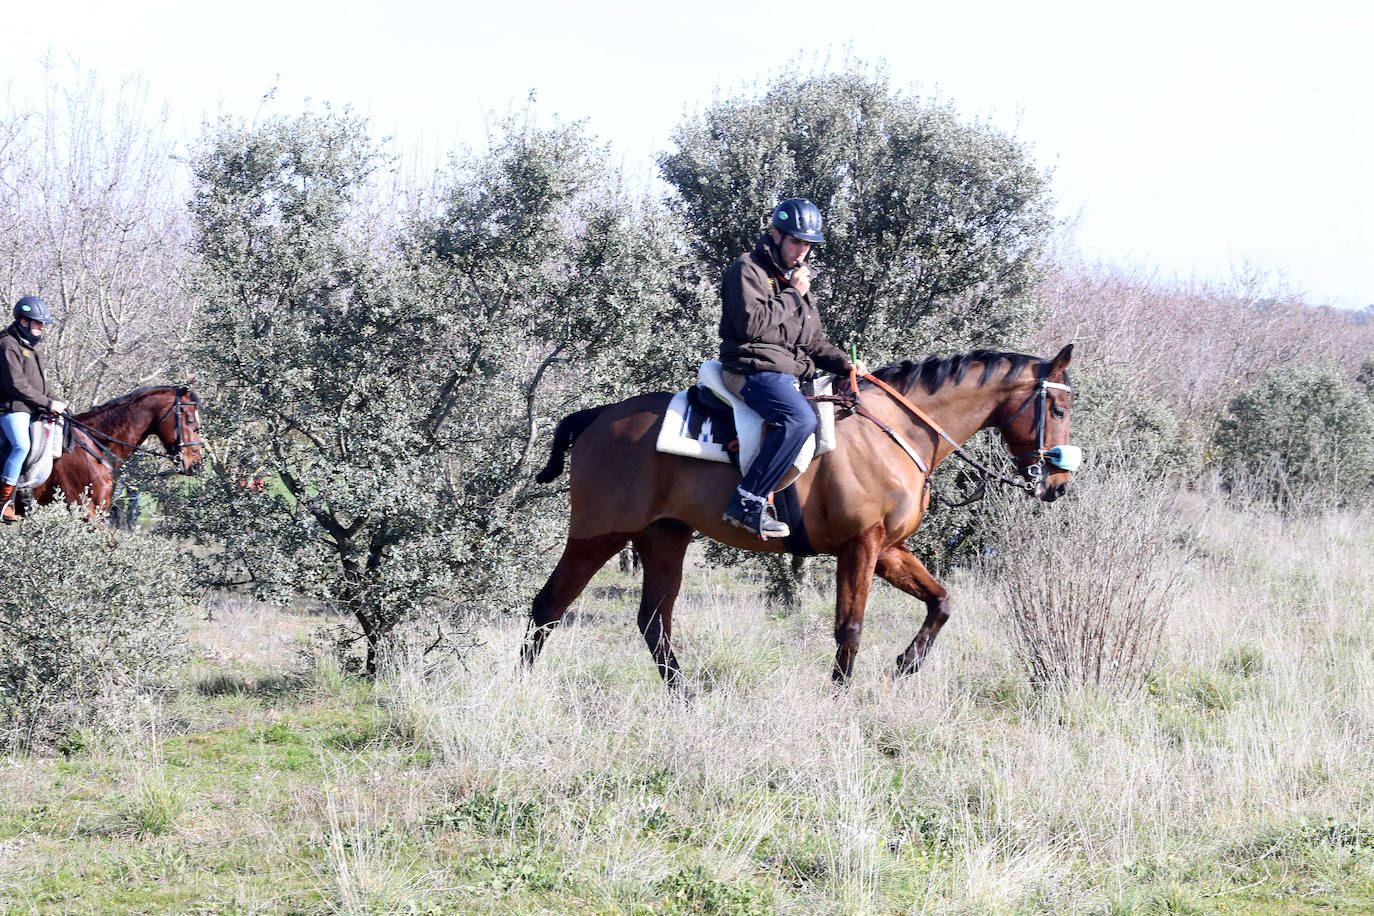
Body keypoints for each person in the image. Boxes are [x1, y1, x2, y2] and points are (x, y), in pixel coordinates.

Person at [718, 198, 864, 538]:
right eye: (797, 241)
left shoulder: (794, 279)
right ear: (776, 235)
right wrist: (794, 294)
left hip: (789, 371)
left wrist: (845, 363)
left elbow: (813, 342)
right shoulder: (747, 269)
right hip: (750, 370)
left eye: (808, 244)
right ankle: (747, 502)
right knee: (799, 419)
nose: (802, 250)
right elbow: (752, 326)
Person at [1, 296, 66, 523]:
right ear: (23, 321)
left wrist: (57, 403)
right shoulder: (7, 344)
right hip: (11, 408)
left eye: (42, 323)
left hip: (33, 409)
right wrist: (48, 404)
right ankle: (4, 502)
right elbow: (16, 385)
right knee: (21, 445)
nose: (42, 327)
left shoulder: (31, 349)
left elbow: (42, 386)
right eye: (38, 323)